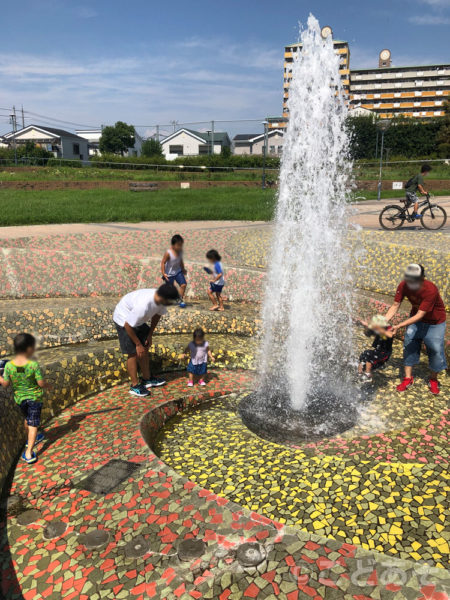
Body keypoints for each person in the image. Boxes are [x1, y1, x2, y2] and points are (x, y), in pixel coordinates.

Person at [385, 264, 446, 395]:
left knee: (435, 349)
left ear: (423, 278)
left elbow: (420, 314)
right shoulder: (403, 285)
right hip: (416, 318)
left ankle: (433, 379)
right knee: (409, 344)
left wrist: (398, 326)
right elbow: (395, 305)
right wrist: (382, 322)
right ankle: (408, 378)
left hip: (435, 322)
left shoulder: (430, 289)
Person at [113, 284, 179, 397]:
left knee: (145, 347)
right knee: (133, 353)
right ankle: (134, 386)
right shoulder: (143, 305)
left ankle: (147, 379)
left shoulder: (162, 300)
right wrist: (138, 344)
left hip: (137, 320)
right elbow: (128, 325)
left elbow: (157, 315)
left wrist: (150, 334)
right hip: (123, 319)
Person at [0, 333, 51, 464]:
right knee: (33, 424)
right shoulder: (33, 365)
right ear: (29, 349)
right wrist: (47, 385)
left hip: (20, 399)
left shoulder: (9, 366)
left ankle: (31, 438)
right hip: (34, 399)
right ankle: (28, 453)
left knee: (27, 419)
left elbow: (5, 384)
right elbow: (40, 383)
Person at [357, 315, 394, 379]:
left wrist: (378, 328)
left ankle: (368, 374)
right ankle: (360, 373)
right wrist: (365, 324)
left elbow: (390, 335)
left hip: (384, 354)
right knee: (364, 354)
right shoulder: (377, 329)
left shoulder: (388, 329)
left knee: (369, 357)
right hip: (377, 351)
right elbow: (367, 333)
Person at [161, 234, 188, 308]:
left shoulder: (180, 251)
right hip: (169, 274)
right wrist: (163, 273)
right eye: (178, 245)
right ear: (173, 245)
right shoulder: (168, 253)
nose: (180, 247)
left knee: (183, 285)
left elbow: (181, 260)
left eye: (181, 245)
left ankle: (180, 299)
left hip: (178, 271)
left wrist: (183, 268)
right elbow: (163, 262)